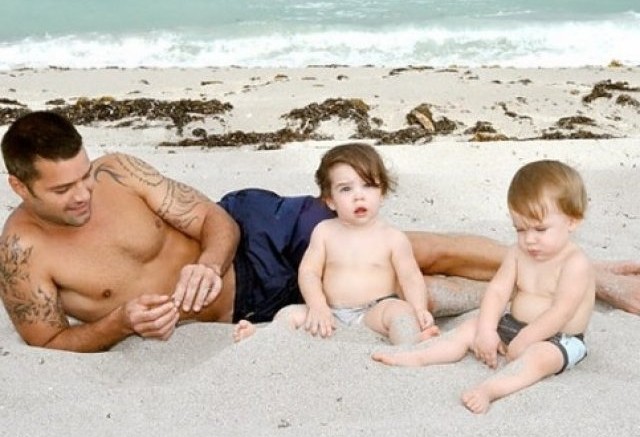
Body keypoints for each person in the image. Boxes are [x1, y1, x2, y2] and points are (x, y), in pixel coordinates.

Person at [0, 111, 638, 353]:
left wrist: (208, 262)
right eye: (63, 189)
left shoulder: (121, 173)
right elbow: (47, 337)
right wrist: (120, 325)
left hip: (254, 235)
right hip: (247, 311)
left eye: (84, 175)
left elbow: (214, 219)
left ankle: (594, 273)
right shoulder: (22, 253)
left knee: (411, 249)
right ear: (20, 187)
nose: (84, 194)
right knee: (408, 288)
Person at [372, 160, 596, 414]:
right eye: (520, 229)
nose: (529, 239)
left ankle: (489, 390)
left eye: (540, 229)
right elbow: (498, 291)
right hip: (514, 325)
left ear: (573, 221)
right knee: (470, 327)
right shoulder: (517, 252)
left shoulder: (575, 263)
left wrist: (526, 339)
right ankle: (418, 355)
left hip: (559, 339)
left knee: (538, 360)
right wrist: (488, 330)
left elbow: (561, 312)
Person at [233, 143, 440, 344]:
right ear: (330, 200)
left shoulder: (393, 237)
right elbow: (309, 272)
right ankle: (265, 339)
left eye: (368, 185)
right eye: (346, 189)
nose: (358, 196)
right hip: (329, 312)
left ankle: (411, 344)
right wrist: (317, 305)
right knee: (289, 313)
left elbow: (410, 277)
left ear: (382, 193)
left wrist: (419, 308)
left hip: (374, 311)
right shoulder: (324, 231)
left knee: (400, 312)